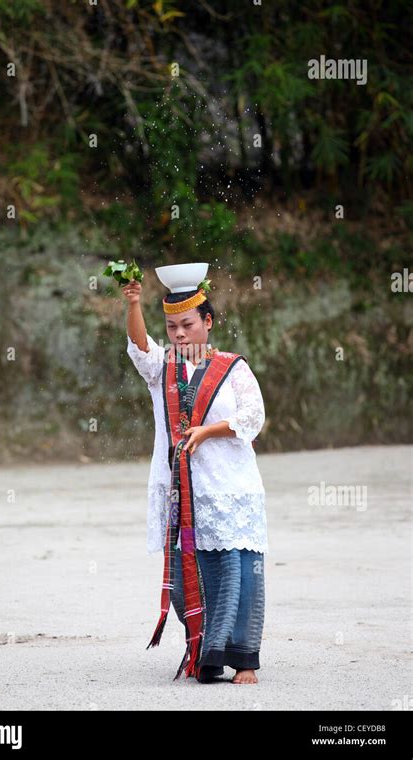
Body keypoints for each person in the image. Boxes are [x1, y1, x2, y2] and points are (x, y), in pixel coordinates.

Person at [123, 264, 268, 684]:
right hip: (185, 492)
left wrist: (209, 431)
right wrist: (133, 302)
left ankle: (244, 660)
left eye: (187, 324)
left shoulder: (233, 368)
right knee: (195, 568)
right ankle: (205, 655)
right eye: (171, 328)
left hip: (232, 488)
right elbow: (138, 343)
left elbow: (253, 416)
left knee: (239, 569)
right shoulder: (162, 370)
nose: (179, 335)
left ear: (207, 321)